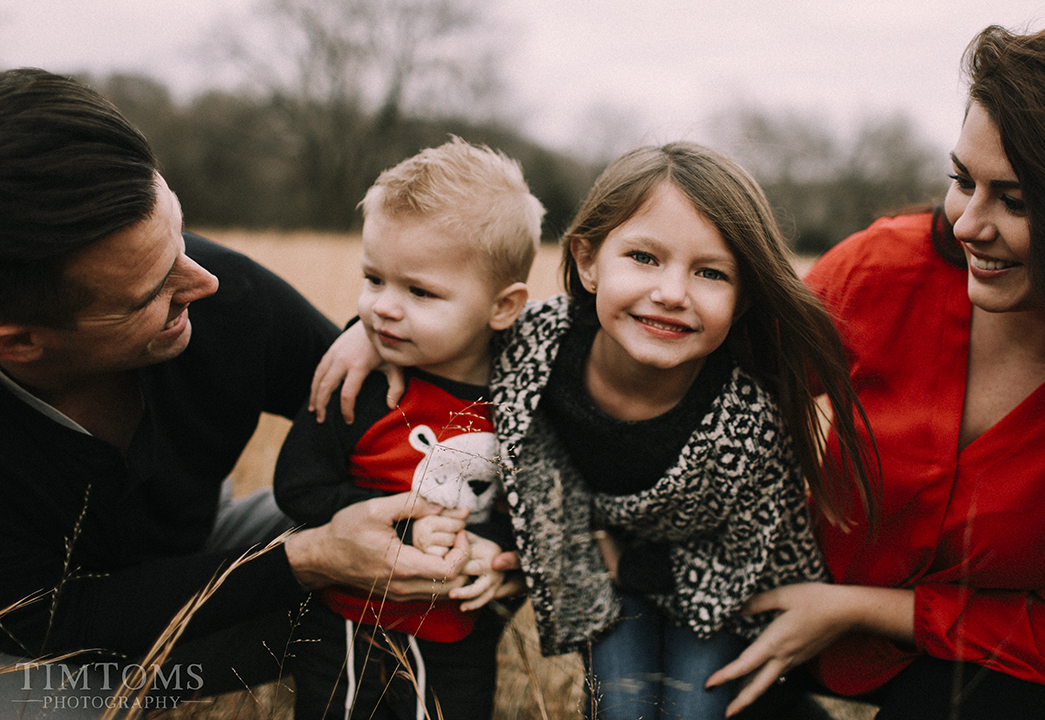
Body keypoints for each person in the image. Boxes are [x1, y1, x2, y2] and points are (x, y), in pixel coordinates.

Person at [710, 22, 1045, 719]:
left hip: (1006, 664)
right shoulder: (881, 272)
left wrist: (860, 608)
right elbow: (689, 403)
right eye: (961, 181)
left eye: (1018, 201)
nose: (969, 223)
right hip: (786, 609)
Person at [313, 141, 879, 720]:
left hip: (719, 591)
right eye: (644, 257)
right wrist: (366, 331)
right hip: (605, 576)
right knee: (621, 705)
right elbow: (450, 321)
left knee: (696, 711)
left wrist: (621, 561)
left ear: (743, 297)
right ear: (587, 261)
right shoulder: (535, 341)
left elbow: (741, 567)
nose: (672, 293)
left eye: (710, 272)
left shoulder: (746, 418)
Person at [0, 69, 498, 716]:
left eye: (178, 236)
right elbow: (43, 622)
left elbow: (397, 424)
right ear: (19, 344)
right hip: (38, 649)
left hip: (211, 555)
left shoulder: (222, 297)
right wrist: (310, 559)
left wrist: (378, 336)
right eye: (153, 292)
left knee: (432, 517)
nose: (202, 280)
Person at [273, 139, 543, 720]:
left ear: (503, 306)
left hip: (460, 637)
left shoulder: (526, 402)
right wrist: (397, 527)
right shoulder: (358, 386)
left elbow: (540, 510)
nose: (385, 308)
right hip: (346, 627)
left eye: (420, 292)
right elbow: (299, 487)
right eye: (374, 280)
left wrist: (497, 552)